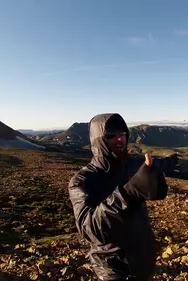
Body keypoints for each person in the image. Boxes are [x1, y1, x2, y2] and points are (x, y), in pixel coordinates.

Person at [68, 113, 179, 281]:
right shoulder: (82, 181)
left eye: (123, 134)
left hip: (143, 260)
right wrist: (129, 193)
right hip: (113, 268)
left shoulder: (130, 166)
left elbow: (153, 165)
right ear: (99, 140)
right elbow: (90, 229)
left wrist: (172, 162)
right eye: (111, 135)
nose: (119, 139)